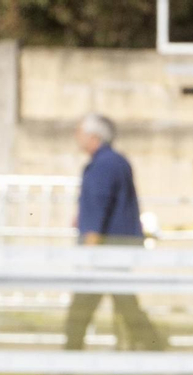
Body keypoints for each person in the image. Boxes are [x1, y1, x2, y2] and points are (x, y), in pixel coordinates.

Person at [62, 113, 165, 351]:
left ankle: (66, 365)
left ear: (93, 136)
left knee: (82, 309)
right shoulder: (116, 162)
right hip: (116, 249)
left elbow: (99, 205)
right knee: (128, 308)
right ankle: (159, 358)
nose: (77, 137)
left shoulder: (103, 165)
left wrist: (89, 247)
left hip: (103, 252)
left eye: (80, 132)